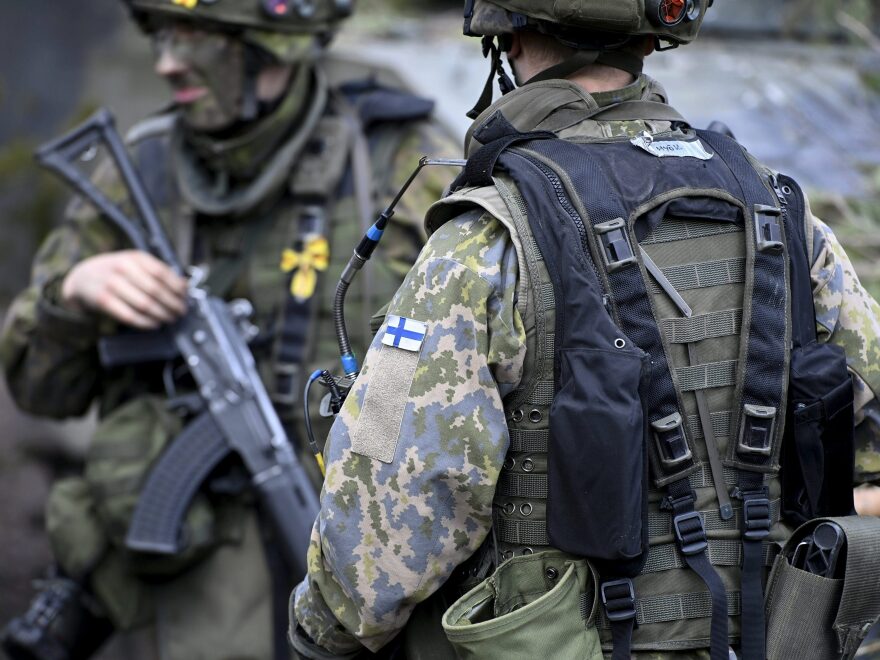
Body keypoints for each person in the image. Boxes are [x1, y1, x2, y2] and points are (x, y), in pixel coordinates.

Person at [290, 1, 880, 659]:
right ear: (656, 40)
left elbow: (378, 560)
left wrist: (319, 628)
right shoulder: (789, 221)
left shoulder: (485, 242)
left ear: (509, 36)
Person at [0, 0, 458, 658]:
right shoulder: (144, 172)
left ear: (273, 44)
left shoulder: (399, 165)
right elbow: (40, 390)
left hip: (363, 561)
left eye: (196, 38)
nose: (165, 63)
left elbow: (472, 363)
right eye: (159, 35)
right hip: (182, 595)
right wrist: (74, 295)